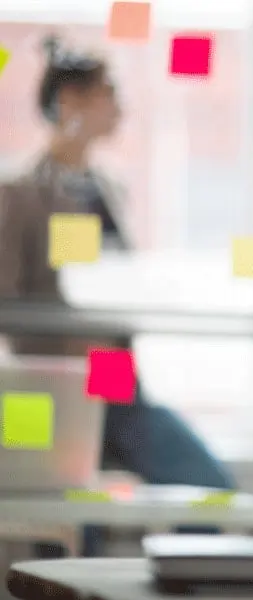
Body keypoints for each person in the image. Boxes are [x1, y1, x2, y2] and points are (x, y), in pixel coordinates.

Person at [0, 37, 235, 557]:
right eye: (108, 92)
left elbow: (116, 282)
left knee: (208, 486)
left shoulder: (109, 188)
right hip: (48, 388)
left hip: (114, 374)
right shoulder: (18, 192)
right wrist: (66, 348)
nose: (121, 108)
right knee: (65, 522)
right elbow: (7, 302)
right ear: (70, 102)